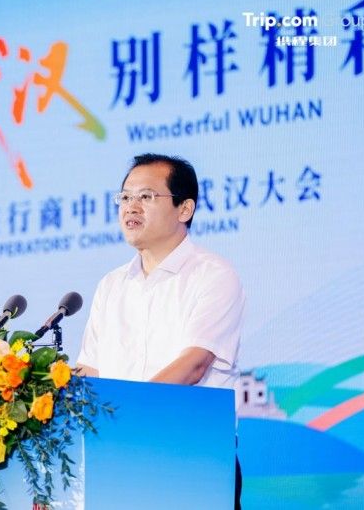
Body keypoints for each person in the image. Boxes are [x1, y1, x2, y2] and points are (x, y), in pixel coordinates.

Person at [76, 153, 244, 508]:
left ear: (184, 209)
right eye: (125, 197)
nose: (131, 207)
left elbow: (194, 364)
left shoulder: (212, 275)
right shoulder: (111, 285)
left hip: (193, 456)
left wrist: (127, 415)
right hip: (116, 458)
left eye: (146, 196)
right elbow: (91, 371)